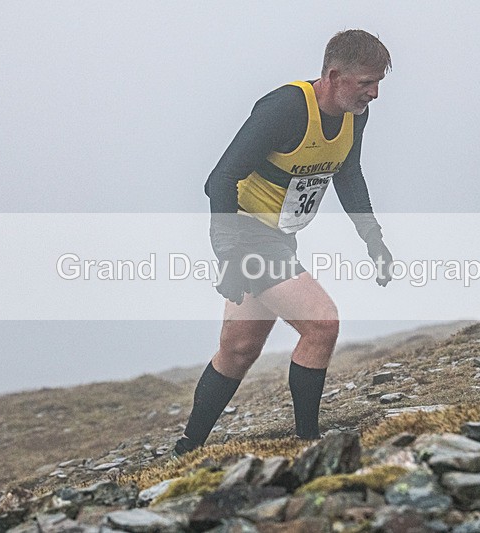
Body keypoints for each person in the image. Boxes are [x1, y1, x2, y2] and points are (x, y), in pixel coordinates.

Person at [173, 29, 394, 456]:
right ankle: (308, 443)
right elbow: (219, 180)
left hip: (281, 239)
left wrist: (373, 239)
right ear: (334, 75)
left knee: (238, 350)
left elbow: (348, 174)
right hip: (248, 237)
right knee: (322, 323)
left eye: (378, 82)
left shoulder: (355, 114)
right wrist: (229, 257)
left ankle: (187, 448)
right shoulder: (285, 110)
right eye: (367, 82)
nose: (376, 93)